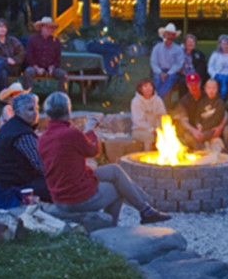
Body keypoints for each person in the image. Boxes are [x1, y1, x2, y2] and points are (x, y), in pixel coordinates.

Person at [37, 91, 171, 225]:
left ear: (48, 113)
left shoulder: (43, 138)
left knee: (114, 170)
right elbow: (93, 150)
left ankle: (145, 207)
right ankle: (109, 225)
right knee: (117, 189)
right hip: (74, 198)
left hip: (59, 194)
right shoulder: (70, 134)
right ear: (68, 110)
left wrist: (85, 133)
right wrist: (90, 130)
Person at [0, 92, 51, 202]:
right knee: (56, 185)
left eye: (37, 108)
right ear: (18, 112)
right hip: (7, 186)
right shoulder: (23, 134)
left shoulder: (13, 125)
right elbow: (42, 166)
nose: (36, 113)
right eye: (30, 109)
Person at [23, 16, 67, 92]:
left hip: (50, 68)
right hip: (35, 67)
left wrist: (52, 67)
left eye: (51, 28)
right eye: (47, 27)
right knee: (28, 72)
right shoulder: (33, 39)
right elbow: (29, 56)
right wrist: (37, 68)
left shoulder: (56, 41)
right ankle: (27, 96)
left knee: (63, 74)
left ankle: (62, 97)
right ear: (41, 28)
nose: (49, 29)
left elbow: (58, 58)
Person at [150, 23, 184, 102]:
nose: (170, 37)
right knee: (157, 79)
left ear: (174, 37)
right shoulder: (157, 48)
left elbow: (178, 64)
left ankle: (157, 100)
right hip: (159, 71)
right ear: (164, 35)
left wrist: (168, 73)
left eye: (172, 35)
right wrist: (160, 73)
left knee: (169, 80)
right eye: (168, 34)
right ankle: (160, 102)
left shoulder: (178, 49)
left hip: (172, 72)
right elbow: (153, 62)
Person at [130, 79, 167, 150]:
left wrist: (160, 128)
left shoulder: (158, 100)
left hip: (156, 129)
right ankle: (148, 156)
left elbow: (163, 115)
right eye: (145, 86)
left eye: (150, 86)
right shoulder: (136, 101)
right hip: (139, 130)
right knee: (149, 137)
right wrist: (152, 130)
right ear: (140, 89)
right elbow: (139, 121)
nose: (149, 88)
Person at [173, 72, 205, 149]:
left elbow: (222, 113)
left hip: (207, 128)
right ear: (187, 85)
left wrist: (217, 128)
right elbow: (184, 120)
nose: (194, 87)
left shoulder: (208, 96)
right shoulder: (183, 101)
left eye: (196, 84)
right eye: (191, 85)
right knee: (191, 139)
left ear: (200, 83)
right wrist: (194, 131)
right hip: (192, 129)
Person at [194, 79, 228, 151]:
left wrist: (203, 127)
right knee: (191, 136)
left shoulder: (219, 102)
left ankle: (204, 152)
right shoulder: (202, 101)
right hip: (202, 128)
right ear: (205, 89)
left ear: (217, 89)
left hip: (212, 129)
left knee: (200, 137)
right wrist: (198, 124)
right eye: (209, 88)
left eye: (213, 88)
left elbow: (217, 119)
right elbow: (197, 116)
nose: (211, 90)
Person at [207, 34, 228, 100]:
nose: (225, 46)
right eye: (223, 44)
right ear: (220, 45)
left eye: (227, 44)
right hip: (217, 76)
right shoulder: (215, 54)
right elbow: (210, 67)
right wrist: (214, 74)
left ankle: (223, 103)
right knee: (214, 87)